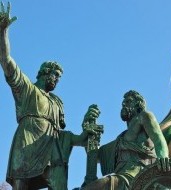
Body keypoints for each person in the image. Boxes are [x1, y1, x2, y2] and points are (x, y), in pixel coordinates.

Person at [0, 3, 99, 189]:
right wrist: (2, 32)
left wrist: (85, 131)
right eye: (55, 76)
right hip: (27, 142)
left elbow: (63, 135)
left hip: (50, 147)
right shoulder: (27, 89)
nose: (57, 80)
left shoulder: (56, 101)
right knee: (21, 186)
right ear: (45, 73)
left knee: (57, 183)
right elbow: (7, 62)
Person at [81, 90, 171, 190]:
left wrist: (163, 157)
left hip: (138, 175)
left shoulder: (144, 116)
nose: (124, 104)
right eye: (123, 103)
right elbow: (96, 156)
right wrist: (89, 132)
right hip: (122, 176)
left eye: (128, 101)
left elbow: (159, 139)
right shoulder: (120, 140)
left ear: (138, 104)